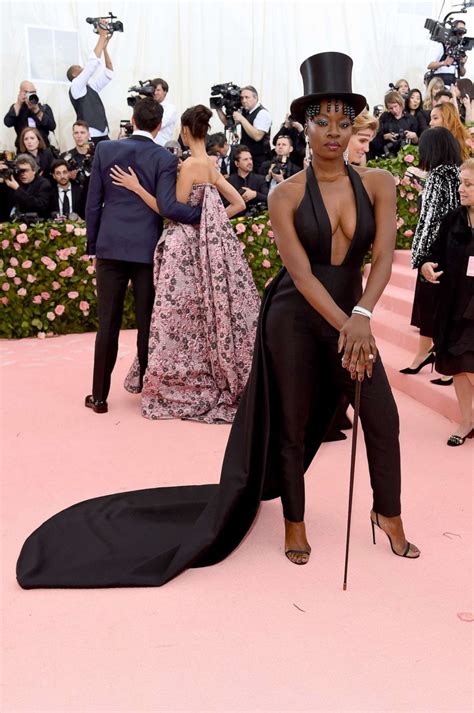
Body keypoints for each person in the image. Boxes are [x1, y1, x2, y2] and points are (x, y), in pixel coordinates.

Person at [16, 52, 419, 591]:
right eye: (321, 121)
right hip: (296, 320)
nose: (332, 132)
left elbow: (383, 257)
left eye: (343, 122)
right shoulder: (285, 194)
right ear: (304, 123)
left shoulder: (379, 186)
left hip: (354, 318)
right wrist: (349, 323)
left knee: (382, 417)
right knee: (294, 425)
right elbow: (299, 274)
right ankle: (295, 521)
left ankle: (387, 513)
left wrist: (362, 316)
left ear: (355, 127)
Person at [114, 105, 259, 422]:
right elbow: (237, 203)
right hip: (210, 249)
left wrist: (137, 188)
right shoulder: (211, 164)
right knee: (206, 315)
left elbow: (168, 209)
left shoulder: (191, 165)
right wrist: (210, 220)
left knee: (176, 319)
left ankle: (178, 383)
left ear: (183, 131)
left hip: (183, 251)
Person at [84, 98, 202, 414]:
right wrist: (205, 213)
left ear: (132, 119)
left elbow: (92, 203)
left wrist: (92, 246)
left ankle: (99, 397)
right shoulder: (163, 157)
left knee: (106, 323)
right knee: (147, 323)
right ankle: (151, 397)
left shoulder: (106, 150)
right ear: (159, 125)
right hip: (146, 249)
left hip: (109, 247)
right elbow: (167, 207)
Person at [420, 158, 474, 445]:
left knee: (469, 362)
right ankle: (467, 420)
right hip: (454, 301)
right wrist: (427, 265)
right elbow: (434, 253)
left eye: (468, 184)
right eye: (460, 183)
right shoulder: (452, 218)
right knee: (457, 364)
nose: (461, 189)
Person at [401, 128, 461, 378]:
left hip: (435, 250)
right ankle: (428, 353)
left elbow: (430, 219)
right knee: (442, 303)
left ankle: (439, 358)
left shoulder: (438, 176)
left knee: (433, 303)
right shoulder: (456, 174)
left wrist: (421, 255)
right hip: (453, 247)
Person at [67, 22, 114, 144]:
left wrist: (104, 49)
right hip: (90, 136)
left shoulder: (91, 87)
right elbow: (91, 65)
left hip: (104, 134)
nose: (82, 68)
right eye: (79, 67)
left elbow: (109, 73)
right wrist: (102, 36)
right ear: (74, 75)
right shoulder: (76, 87)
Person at [218, 86, 272, 171]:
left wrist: (242, 119)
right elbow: (228, 124)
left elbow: (257, 136)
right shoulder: (244, 111)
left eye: (247, 97)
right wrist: (218, 109)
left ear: (256, 98)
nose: (243, 101)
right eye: (242, 98)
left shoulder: (263, 113)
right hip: (246, 157)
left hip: (259, 160)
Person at [3, 80, 56, 149]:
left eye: (33, 92)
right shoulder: (17, 108)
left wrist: (36, 110)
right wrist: (18, 104)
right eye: (27, 92)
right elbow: (8, 123)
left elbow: (52, 126)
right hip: (23, 151)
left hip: (43, 149)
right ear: (21, 93)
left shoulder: (44, 108)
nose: (31, 94)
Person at [0, 153, 52, 219]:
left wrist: (17, 189)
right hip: (12, 223)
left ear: (34, 171)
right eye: (20, 171)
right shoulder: (13, 180)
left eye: (26, 170)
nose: (22, 174)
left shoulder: (43, 183)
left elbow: (39, 206)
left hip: (35, 223)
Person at [226, 145, 269, 216]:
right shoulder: (229, 181)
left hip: (257, 221)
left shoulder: (260, 179)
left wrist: (255, 194)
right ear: (237, 163)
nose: (250, 162)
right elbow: (223, 204)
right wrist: (239, 197)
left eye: (250, 159)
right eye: (245, 159)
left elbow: (269, 199)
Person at [373, 90, 418, 157]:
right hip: (385, 155)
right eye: (391, 108)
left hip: (405, 155)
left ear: (400, 104)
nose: (394, 110)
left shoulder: (411, 119)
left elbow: (416, 143)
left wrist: (414, 136)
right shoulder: (384, 117)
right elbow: (375, 137)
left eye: (395, 106)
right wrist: (385, 136)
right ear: (387, 108)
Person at [427, 19, 468, 88]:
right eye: (459, 33)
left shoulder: (459, 49)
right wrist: (444, 63)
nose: (460, 36)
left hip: (452, 87)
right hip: (439, 87)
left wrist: (462, 64)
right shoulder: (441, 46)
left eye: (462, 34)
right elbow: (429, 65)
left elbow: (462, 73)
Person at [151, 78, 177, 146]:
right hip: (148, 146)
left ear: (165, 91)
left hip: (162, 147)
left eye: (158, 90)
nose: (155, 93)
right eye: (153, 90)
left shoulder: (170, 109)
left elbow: (157, 124)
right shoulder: (150, 106)